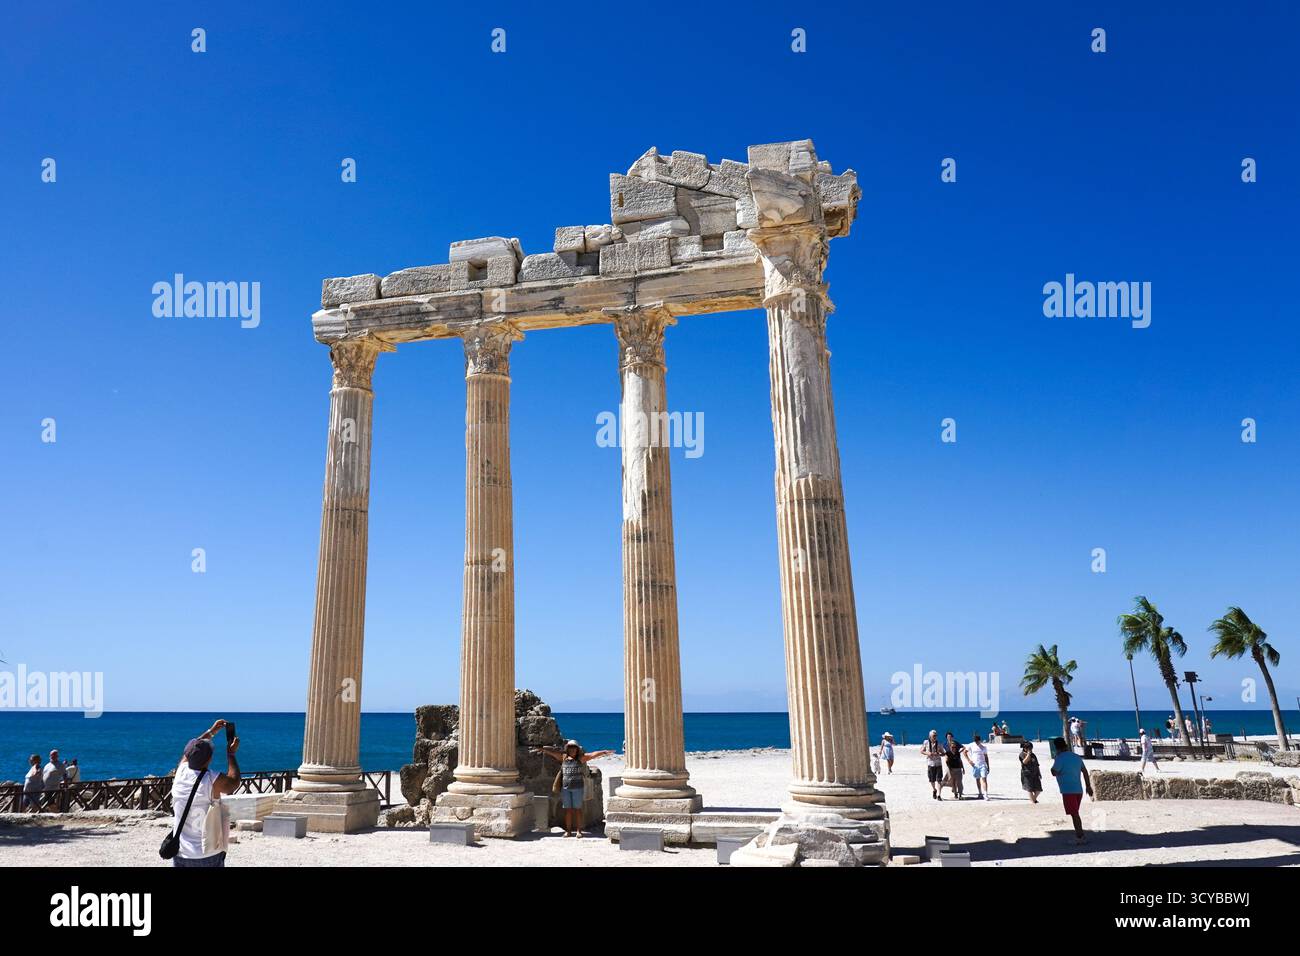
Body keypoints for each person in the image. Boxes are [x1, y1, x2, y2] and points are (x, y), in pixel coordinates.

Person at [170, 719, 241, 867]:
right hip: (207, 852)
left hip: (181, 852)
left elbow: (193, 749)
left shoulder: (180, 771)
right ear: (209, 759)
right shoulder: (212, 780)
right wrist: (231, 754)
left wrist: (211, 731)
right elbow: (233, 783)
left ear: (187, 756)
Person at [536, 739, 615, 837]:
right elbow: (552, 753)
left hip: (578, 788)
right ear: (567, 750)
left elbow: (593, 754)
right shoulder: (563, 757)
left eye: (574, 749)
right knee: (568, 810)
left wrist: (604, 752)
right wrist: (542, 749)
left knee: (578, 810)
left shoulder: (580, 759)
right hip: (565, 789)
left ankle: (579, 831)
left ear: (577, 750)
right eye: (570, 749)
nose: (572, 751)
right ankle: (568, 831)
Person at [1050, 736, 1093, 845]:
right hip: (1079, 790)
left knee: (1074, 814)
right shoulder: (1076, 757)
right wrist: (1088, 786)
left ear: (1056, 747)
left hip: (1068, 790)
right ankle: (1080, 834)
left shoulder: (1059, 758)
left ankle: (1080, 836)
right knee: (1075, 813)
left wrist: (1056, 764)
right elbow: (1084, 771)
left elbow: (1054, 772)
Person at [921, 730, 946, 800]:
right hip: (930, 763)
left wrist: (939, 754)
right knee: (932, 780)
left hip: (938, 763)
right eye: (933, 736)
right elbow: (921, 751)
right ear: (930, 736)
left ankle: (939, 795)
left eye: (936, 735)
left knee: (939, 780)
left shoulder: (939, 744)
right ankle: (934, 790)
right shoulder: (926, 742)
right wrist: (928, 753)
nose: (935, 737)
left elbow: (944, 753)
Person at [967, 734, 990, 799]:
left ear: (980, 740)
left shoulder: (983, 747)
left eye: (977, 741)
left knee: (984, 778)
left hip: (983, 765)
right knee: (977, 779)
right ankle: (980, 793)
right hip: (975, 765)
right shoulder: (971, 745)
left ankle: (985, 794)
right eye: (975, 741)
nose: (976, 742)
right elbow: (964, 752)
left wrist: (988, 765)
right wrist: (969, 760)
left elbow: (986, 757)